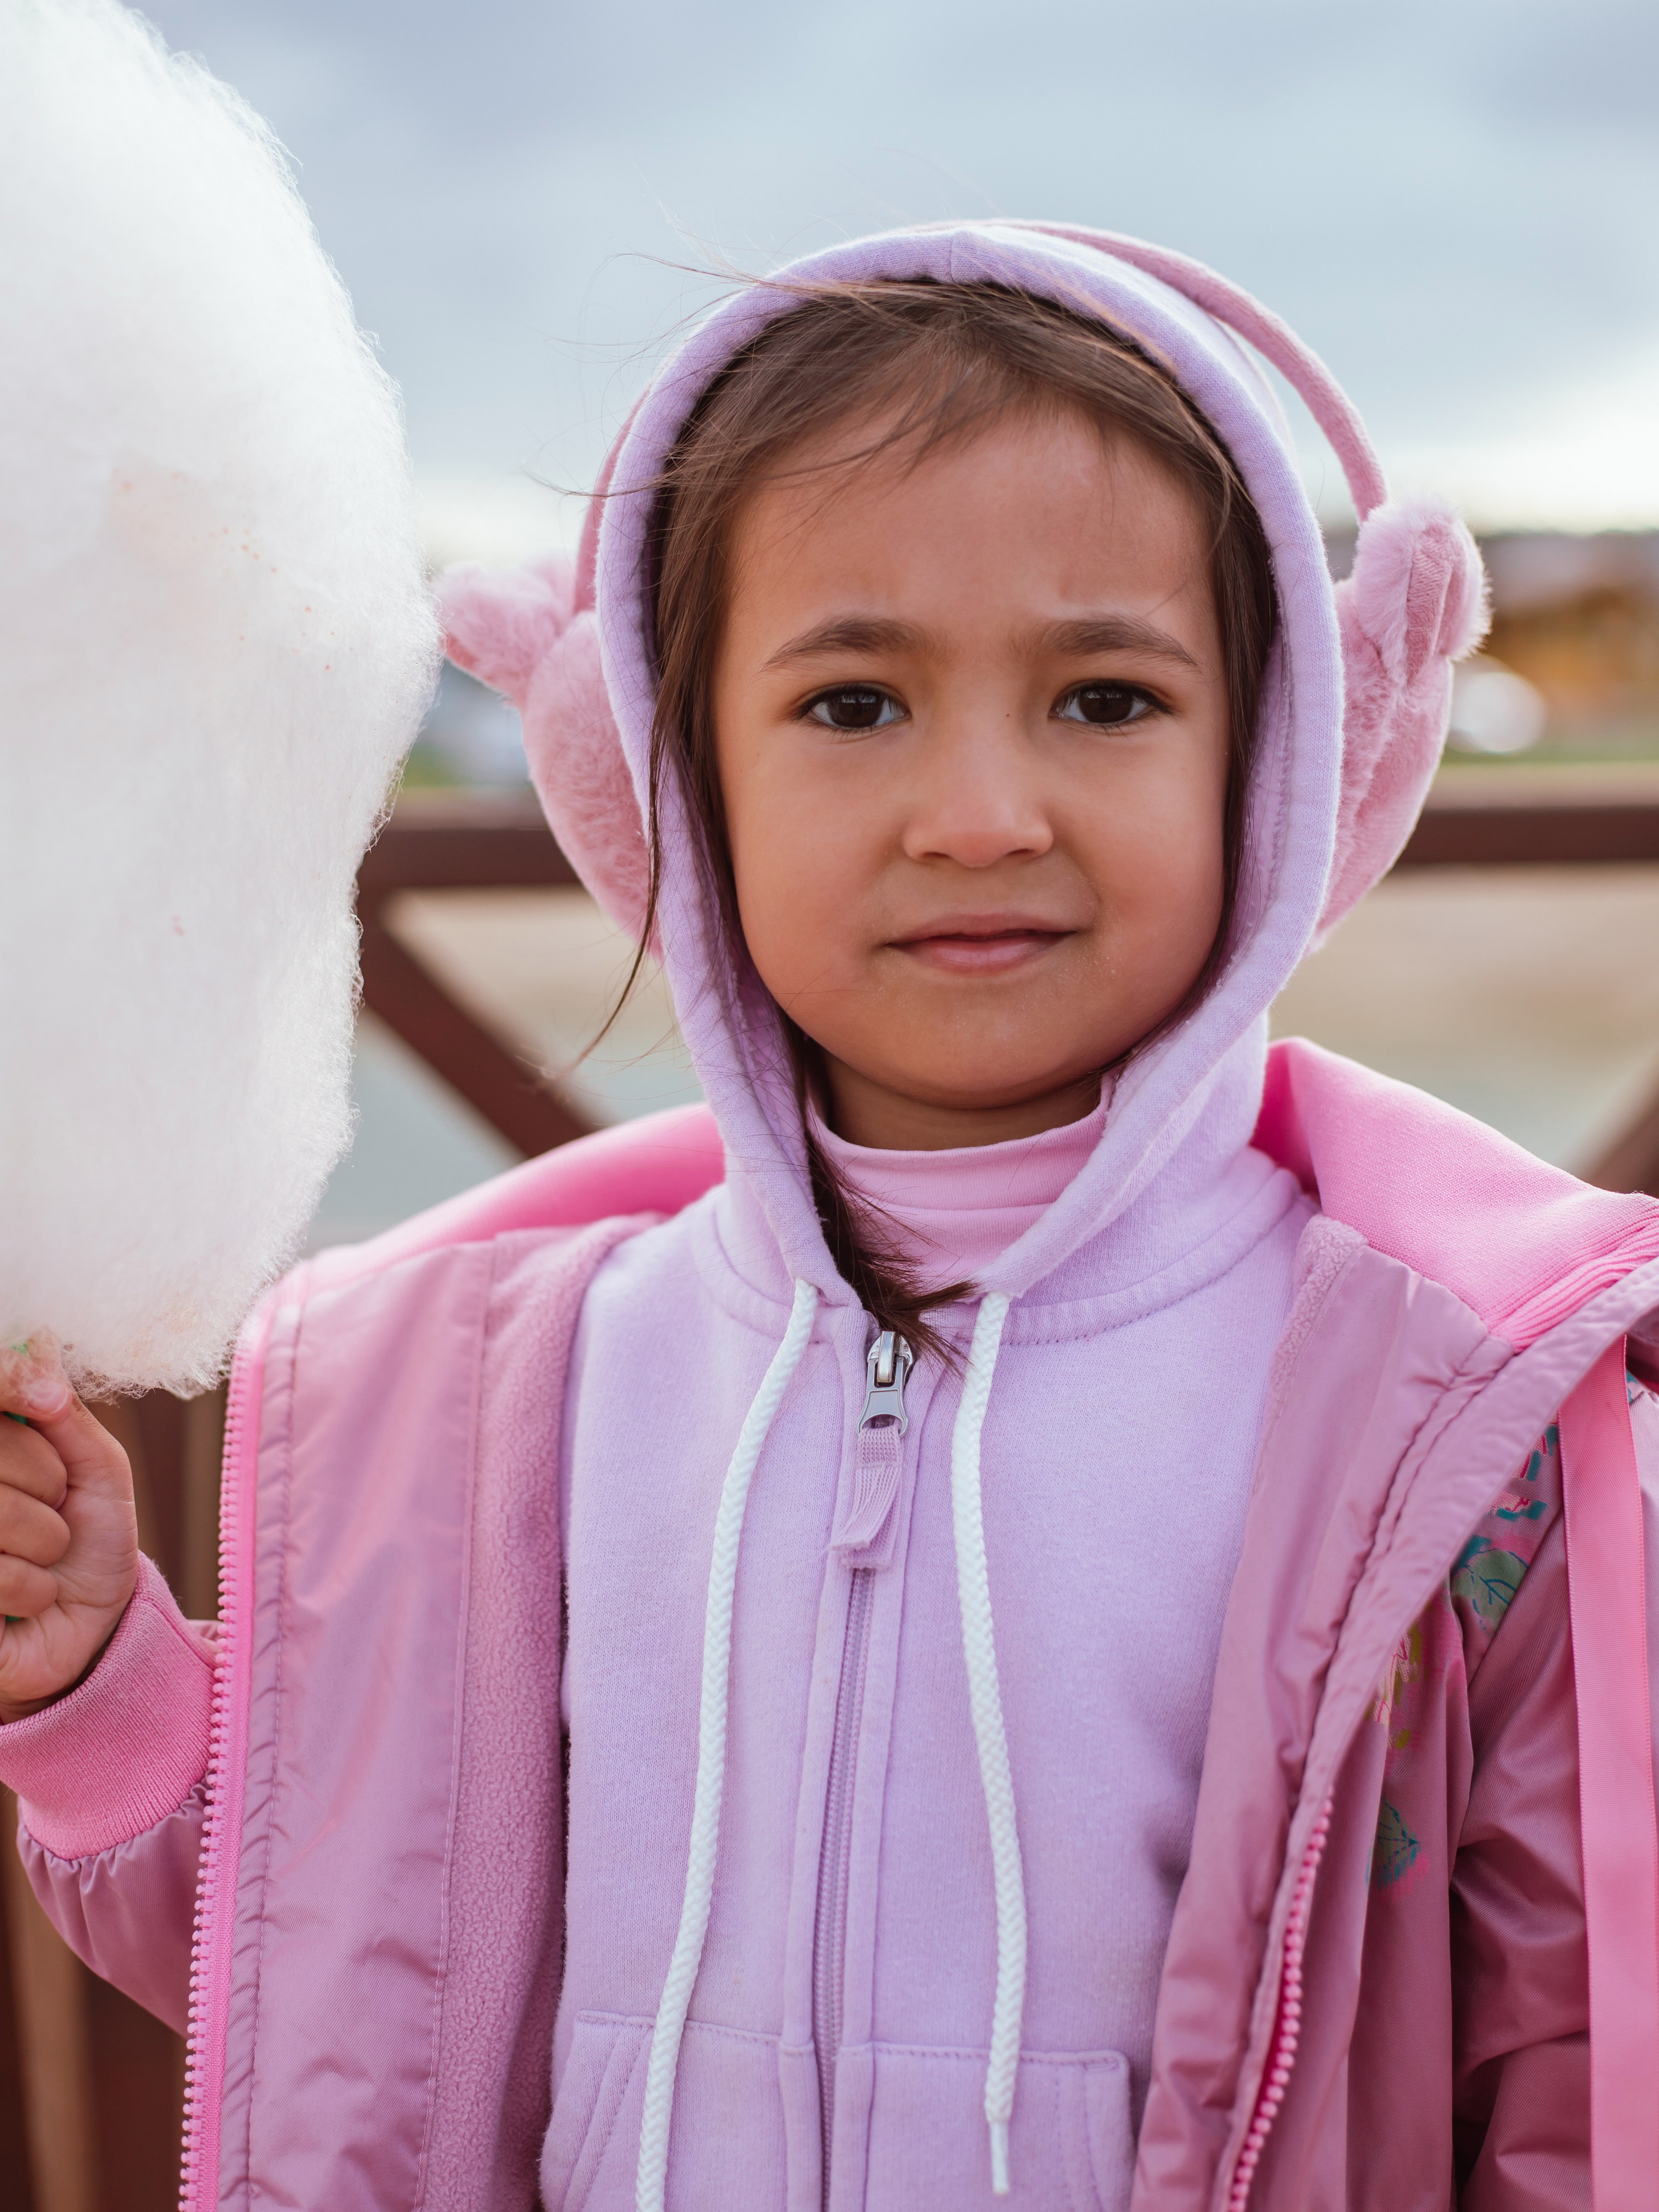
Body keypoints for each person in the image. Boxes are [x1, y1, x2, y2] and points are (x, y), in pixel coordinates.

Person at [1, 223, 1656, 2212]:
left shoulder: (1439, 1427)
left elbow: (1588, 2066)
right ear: (669, 780)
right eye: (854, 705)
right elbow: (359, 1992)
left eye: (1108, 699)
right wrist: (98, 1690)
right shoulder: (506, 1393)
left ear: (1290, 759)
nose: (977, 811)